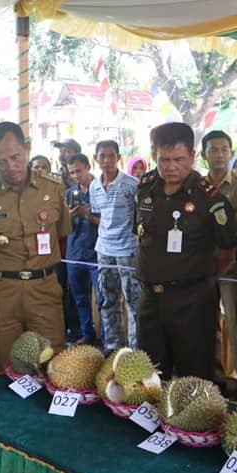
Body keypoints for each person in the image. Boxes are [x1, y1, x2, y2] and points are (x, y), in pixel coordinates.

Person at [0, 122, 70, 371]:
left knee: (53, 367)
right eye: (0, 162)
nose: (10, 167)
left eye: (15, 157)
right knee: (4, 369)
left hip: (44, 288)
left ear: (27, 147)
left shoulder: (54, 187)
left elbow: (62, 232)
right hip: (1, 292)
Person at [136, 122, 236, 380]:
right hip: (150, 300)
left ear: (192, 156)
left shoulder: (211, 199)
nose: (171, 166)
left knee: (194, 375)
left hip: (192, 301)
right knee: (149, 375)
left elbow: (227, 250)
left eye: (179, 159)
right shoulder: (145, 189)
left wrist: (203, 280)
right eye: (164, 159)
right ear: (154, 157)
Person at [201, 130, 237, 383]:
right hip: (205, 267)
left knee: (236, 324)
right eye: (214, 149)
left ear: (231, 153)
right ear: (203, 155)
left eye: (224, 149)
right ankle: (215, 378)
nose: (219, 154)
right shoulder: (198, 186)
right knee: (208, 325)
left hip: (231, 267)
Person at [89, 140, 141, 351]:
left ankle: (135, 351)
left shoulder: (131, 184)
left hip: (128, 250)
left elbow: (140, 217)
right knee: (108, 300)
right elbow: (98, 216)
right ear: (96, 159)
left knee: (134, 303)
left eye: (111, 156)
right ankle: (113, 348)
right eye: (102, 156)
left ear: (119, 158)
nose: (107, 160)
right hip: (103, 250)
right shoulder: (94, 186)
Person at [65, 153, 100, 345]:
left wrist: (88, 216)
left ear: (88, 166)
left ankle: (106, 337)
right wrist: (70, 215)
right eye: (72, 173)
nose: (76, 176)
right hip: (74, 252)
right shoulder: (70, 193)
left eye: (79, 170)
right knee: (80, 298)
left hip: (96, 252)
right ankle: (88, 334)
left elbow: (108, 222)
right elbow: (61, 226)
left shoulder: (100, 189)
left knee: (102, 299)